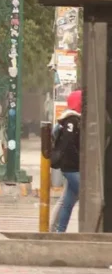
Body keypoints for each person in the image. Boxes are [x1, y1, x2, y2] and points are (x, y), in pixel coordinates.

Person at [49, 90, 82, 232]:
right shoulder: (72, 120)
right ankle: (57, 230)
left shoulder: (68, 119)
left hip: (70, 167)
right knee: (87, 195)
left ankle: (59, 232)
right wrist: (79, 161)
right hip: (72, 167)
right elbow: (68, 144)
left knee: (68, 202)